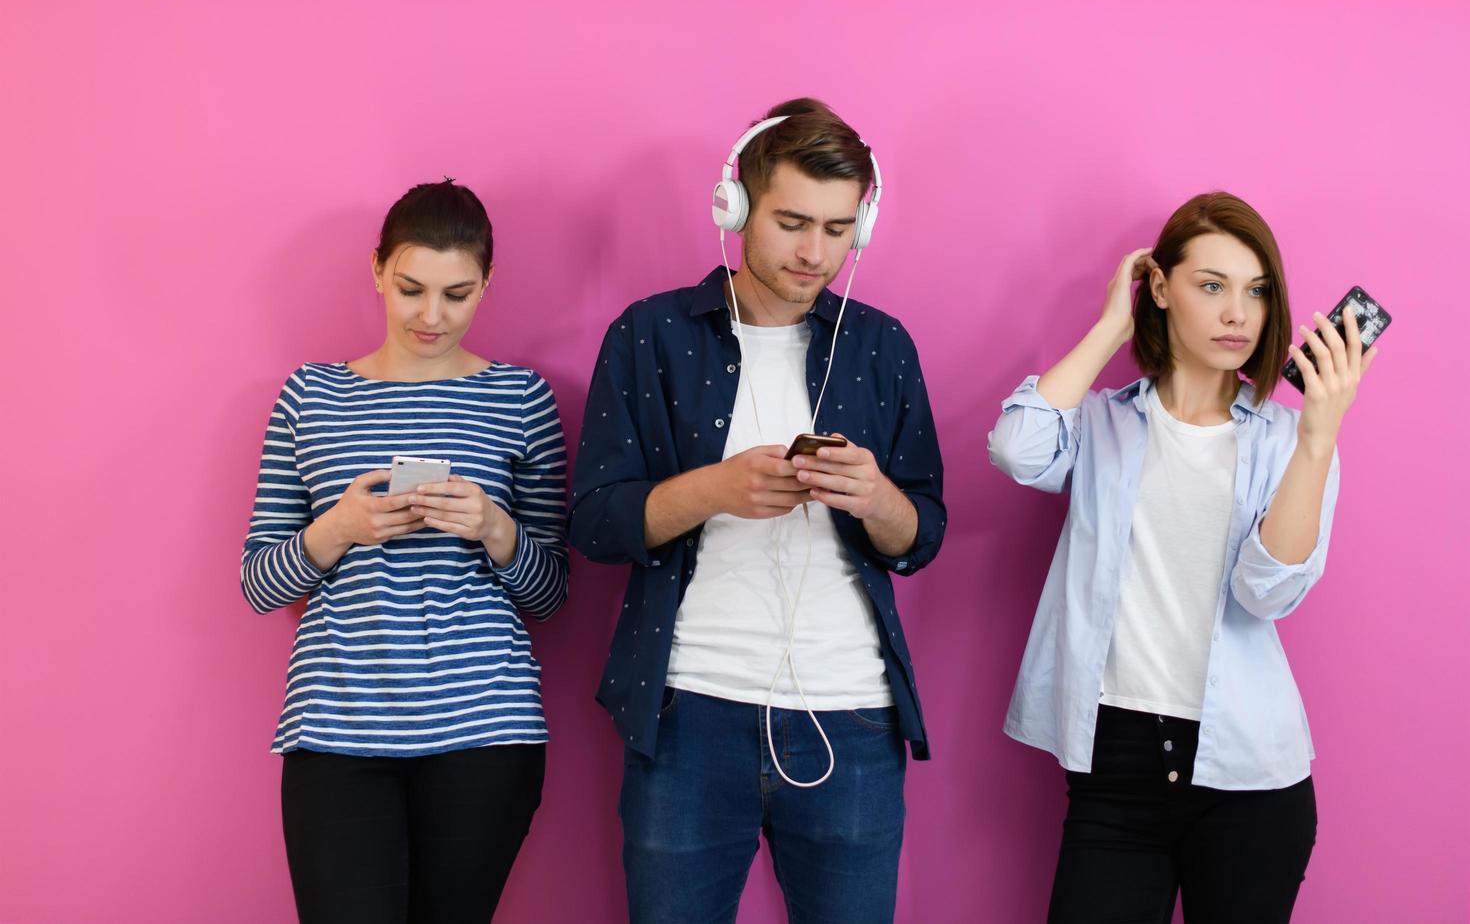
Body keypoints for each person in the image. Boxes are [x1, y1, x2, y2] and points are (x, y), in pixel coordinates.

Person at [569, 97, 946, 924]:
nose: (817, 253)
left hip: (852, 714)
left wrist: (879, 499)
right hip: (687, 712)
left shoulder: (883, 347)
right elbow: (593, 522)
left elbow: (924, 535)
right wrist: (714, 490)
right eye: (792, 222)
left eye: (840, 229)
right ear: (734, 206)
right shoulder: (649, 335)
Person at [987, 192, 1379, 923]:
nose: (1239, 313)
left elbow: (1266, 594)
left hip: (1249, 780)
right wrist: (1111, 327)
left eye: (1257, 291)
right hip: (1114, 767)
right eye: (1211, 286)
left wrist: (1319, 439)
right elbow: (1017, 448)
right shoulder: (1102, 421)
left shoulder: (1286, 442)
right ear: (1159, 289)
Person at [240, 179, 568, 923]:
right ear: (377, 269)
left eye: (457, 294)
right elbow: (259, 583)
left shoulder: (521, 397)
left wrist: (493, 528)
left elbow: (552, 593)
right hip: (334, 726)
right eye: (411, 287)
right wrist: (339, 529)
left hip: (486, 726)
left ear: (487, 284)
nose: (430, 315)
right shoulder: (309, 395)